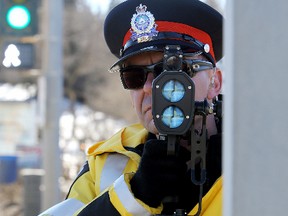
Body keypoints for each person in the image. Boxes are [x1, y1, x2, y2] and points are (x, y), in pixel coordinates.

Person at [39, 0, 223, 215]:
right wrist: (133, 196)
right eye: (134, 77)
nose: (148, 87)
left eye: (169, 71)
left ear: (214, 82)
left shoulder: (260, 155)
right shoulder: (107, 163)